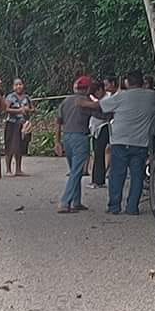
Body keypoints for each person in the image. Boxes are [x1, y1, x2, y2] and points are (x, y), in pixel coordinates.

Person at [99, 70, 155, 215]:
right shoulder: (153, 96)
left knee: (117, 175)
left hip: (120, 140)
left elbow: (102, 106)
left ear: (127, 82)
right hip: (140, 142)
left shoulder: (121, 96)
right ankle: (132, 207)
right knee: (137, 176)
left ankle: (114, 206)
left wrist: (83, 103)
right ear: (142, 82)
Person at [55, 75, 98, 213]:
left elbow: (58, 121)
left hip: (67, 137)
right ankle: (64, 202)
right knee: (76, 171)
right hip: (80, 137)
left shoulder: (66, 101)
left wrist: (57, 141)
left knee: (75, 170)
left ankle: (76, 201)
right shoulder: (86, 101)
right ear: (88, 89)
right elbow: (101, 115)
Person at [3, 78, 33, 176]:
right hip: (12, 124)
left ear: (23, 85)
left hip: (23, 125)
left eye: (20, 84)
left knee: (20, 147)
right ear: (13, 87)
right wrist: (19, 110)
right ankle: (8, 170)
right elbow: (6, 109)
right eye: (16, 85)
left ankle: (18, 169)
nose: (18, 86)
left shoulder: (27, 97)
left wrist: (28, 110)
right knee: (10, 147)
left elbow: (33, 109)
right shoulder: (10, 97)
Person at [88, 79, 114, 189]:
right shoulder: (99, 99)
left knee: (99, 152)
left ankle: (98, 180)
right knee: (96, 152)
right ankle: (97, 179)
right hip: (95, 128)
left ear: (100, 89)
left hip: (103, 127)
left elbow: (107, 115)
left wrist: (94, 110)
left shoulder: (108, 99)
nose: (96, 95)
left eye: (96, 93)